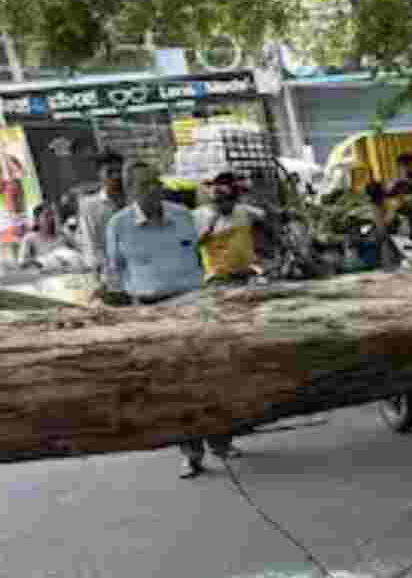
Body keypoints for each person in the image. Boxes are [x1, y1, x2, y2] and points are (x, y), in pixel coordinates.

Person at [107, 162, 239, 478]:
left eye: (156, 182)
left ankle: (222, 441)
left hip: (194, 304)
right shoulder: (118, 225)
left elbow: (198, 255)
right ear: (131, 192)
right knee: (173, 385)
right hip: (152, 310)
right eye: (145, 185)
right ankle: (190, 451)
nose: (154, 189)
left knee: (211, 377)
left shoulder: (182, 215)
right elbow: (114, 271)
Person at [193, 170, 271, 285]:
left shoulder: (244, 211)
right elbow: (193, 246)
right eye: (221, 201)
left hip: (247, 274)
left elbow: (268, 217)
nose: (227, 205)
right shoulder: (199, 216)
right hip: (218, 278)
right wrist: (210, 226)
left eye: (231, 200)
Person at [80, 151, 131, 295]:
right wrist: (99, 276)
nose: (116, 176)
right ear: (100, 175)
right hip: (111, 277)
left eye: (119, 171)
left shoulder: (134, 199)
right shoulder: (90, 206)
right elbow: (91, 243)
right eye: (110, 172)